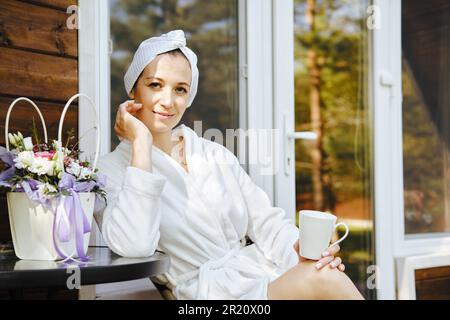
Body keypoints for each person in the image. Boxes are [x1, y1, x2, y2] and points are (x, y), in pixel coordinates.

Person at [94, 30, 364, 300]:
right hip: (206, 297)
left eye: (180, 89)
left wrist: (298, 249)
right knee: (325, 280)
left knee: (322, 271)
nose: (168, 101)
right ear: (133, 89)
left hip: (259, 279)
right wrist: (141, 143)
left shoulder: (213, 154)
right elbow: (135, 244)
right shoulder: (111, 170)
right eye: (155, 85)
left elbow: (267, 222)